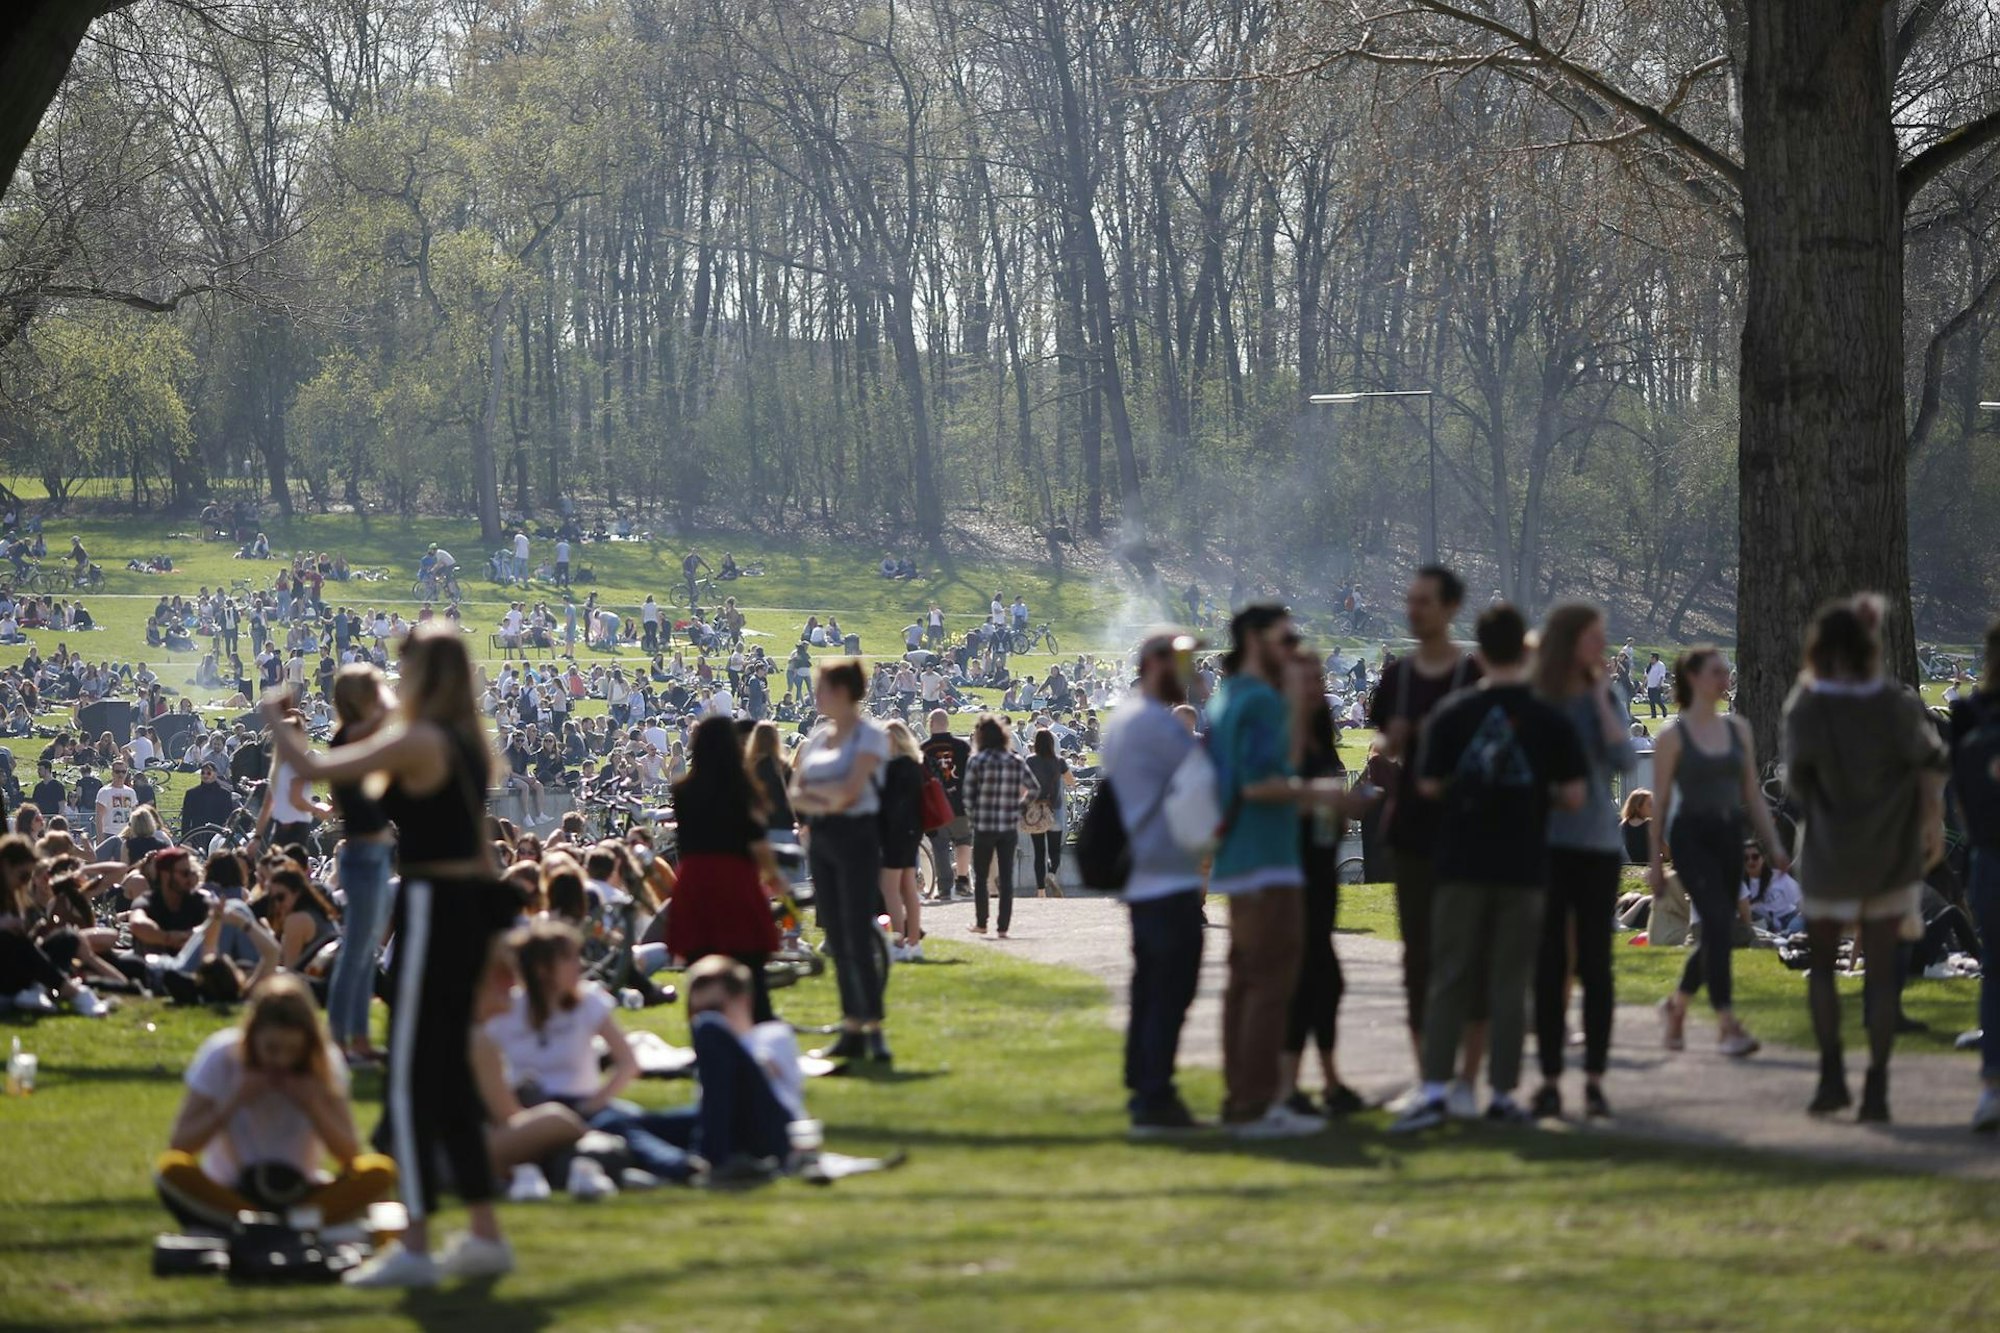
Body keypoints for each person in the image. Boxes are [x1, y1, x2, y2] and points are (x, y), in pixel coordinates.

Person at [261, 624, 520, 1286]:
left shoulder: (421, 736)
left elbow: (320, 769)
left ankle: (413, 1246)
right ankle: (485, 1235)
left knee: (409, 1069)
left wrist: (278, 719)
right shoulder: (459, 738)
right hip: (463, 905)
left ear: (426, 675)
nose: (396, 679)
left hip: (436, 902)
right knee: (451, 1071)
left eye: (405, 669)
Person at [1390, 604, 1587, 1132]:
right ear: (1526, 652)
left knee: (1450, 975)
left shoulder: (1453, 715)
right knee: (1509, 982)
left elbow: (1427, 784)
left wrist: (1473, 782)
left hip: (1460, 861)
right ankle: (1501, 1092)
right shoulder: (1549, 718)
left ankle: (1435, 1088)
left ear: (1477, 652)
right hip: (1522, 863)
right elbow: (1573, 793)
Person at [1784, 595, 1948, 1122]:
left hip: (1830, 851)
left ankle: (1832, 1075)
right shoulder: (1894, 705)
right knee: (1880, 975)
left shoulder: (1806, 705)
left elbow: (1795, 782)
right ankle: (1876, 1085)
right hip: (1889, 853)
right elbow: (1932, 756)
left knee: (1824, 975)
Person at [1208, 603, 1359, 1139]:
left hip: (1241, 854)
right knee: (1272, 984)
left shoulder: (1226, 696)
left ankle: (1241, 1098)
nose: (1292, 647)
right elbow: (1258, 784)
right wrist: (1319, 794)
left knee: (1245, 982)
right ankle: (1257, 1104)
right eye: (1284, 637)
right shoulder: (1257, 701)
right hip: (1267, 856)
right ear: (1255, 638)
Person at [1365, 566, 1483, 1109]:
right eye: (1410, 601)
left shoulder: (1475, 673)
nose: (1414, 611)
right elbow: (1384, 746)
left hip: (1467, 828)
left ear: (1451, 608)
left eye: (1425, 602)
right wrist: (1397, 740)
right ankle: (1428, 1078)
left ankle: (1466, 1079)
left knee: (1469, 952)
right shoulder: (1397, 678)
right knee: (1418, 957)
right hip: (1411, 828)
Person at [155, 974, 396, 1231]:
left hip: (300, 1191)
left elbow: (350, 1155)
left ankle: (269, 1226)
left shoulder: (324, 1061)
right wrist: (234, 1100)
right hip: (230, 1191)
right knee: (171, 1169)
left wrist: (312, 1105)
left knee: (380, 1171)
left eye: (292, 1051)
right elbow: (180, 1145)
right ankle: (264, 1223)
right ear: (252, 1036)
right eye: (271, 1049)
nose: (280, 1061)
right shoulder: (221, 1054)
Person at [1650, 646, 1791, 1059]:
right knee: (1714, 919)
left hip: (1730, 834)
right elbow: (1658, 803)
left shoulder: (1739, 730)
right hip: (1691, 836)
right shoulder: (1672, 737)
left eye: (1726, 671)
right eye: (1717, 672)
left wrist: (1776, 845)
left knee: (1718, 928)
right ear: (1693, 677)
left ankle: (1676, 1006)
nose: (1726, 678)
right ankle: (1727, 1024)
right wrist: (1655, 864)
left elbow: (1751, 791)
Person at [1527, 603, 1637, 1121]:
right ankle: (1550, 1077)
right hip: (1547, 842)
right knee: (1550, 962)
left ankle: (1594, 1078)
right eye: (1594, 637)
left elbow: (1624, 761)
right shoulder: (1540, 697)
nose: (1602, 646)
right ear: (1569, 641)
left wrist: (1600, 702)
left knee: (1596, 961)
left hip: (1596, 843)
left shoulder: (1604, 696)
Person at [1103, 632, 1207, 1135]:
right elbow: (1206, 781)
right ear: (1153, 665)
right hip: (1165, 871)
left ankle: (1142, 1080)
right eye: (1181, 661)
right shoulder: (1156, 727)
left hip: (1148, 870)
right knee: (1171, 986)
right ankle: (1154, 1094)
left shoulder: (1127, 720)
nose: (1189, 671)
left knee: (1152, 985)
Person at [788, 659, 891, 1064]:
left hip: (857, 836)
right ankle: (851, 1023)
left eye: (823, 688)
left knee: (857, 933)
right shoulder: (816, 739)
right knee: (836, 936)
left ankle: (873, 1027)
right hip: (824, 838)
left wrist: (822, 798)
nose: (816, 696)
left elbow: (851, 792)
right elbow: (795, 791)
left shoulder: (869, 736)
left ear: (845, 691)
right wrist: (823, 801)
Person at [667, 717, 787, 1023]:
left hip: (695, 879)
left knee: (700, 966)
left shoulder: (683, 791)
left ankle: (705, 1031)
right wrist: (775, 878)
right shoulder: (744, 789)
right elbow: (758, 844)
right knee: (749, 964)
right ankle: (757, 1026)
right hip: (735, 878)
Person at [1281, 694, 1363, 1118]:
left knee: (1321, 978)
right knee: (1314, 977)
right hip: (1295, 867)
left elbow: (1339, 818)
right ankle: (1298, 1082)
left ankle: (1324, 1080)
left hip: (1317, 867)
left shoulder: (1311, 750)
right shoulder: (1290, 749)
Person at [322, 666, 397, 1064]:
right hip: (364, 856)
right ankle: (338, 1040)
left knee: (365, 950)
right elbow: (390, 711)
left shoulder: (354, 737)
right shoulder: (349, 736)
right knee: (355, 951)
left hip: (374, 853)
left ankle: (359, 1039)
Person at [1950, 619, 2000, 1133]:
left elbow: (1959, 791)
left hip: (1989, 851)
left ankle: (1992, 1085)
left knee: (1995, 970)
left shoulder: (1967, 713)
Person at [961, 715, 1034, 939]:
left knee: (981, 876)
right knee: (1006, 876)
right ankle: (1003, 926)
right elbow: (1034, 789)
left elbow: (968, 795)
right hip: (1008, 825)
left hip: (984, 825)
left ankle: (982, 922)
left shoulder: (976, 761)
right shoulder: (1015, 760)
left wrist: (974, 815)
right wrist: (1019, 808)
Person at [878, 720, 927, 960]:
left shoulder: (893, 768)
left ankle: (897, 943)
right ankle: (914, 943)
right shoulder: (915, 765)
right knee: (908, 889)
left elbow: (887, 805)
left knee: (890, 889)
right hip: (912, 832)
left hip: (894, 833)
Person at [921, 709, 973, 902]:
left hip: (936, 808)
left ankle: (944, 888)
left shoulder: (922, 749)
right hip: (960, 803)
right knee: (963, 841)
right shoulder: (962, 746)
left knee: (940, 847)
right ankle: (962, 882)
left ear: (931, 723)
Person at [255, 715, 324, 856]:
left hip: (278, 831)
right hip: (295, 834)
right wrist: (317, 809)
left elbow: (267, 805)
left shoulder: (278, 766)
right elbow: (296, 799)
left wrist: (256, 838)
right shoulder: (296, 766)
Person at [1024, 727, 1074, 898]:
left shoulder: (1030, 760)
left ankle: (1040, 891)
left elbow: (1023, 783)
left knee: (1039, 852)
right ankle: (1052, 873)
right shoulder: (1059, 761)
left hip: (1036, 810)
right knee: (1054, 850)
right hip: (1055, 809)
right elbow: (1071, 781)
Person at [1619, 789, 1653, 865]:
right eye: (1650, 805)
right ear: (1638, 807)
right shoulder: (1649, 824)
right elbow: (1666, 852)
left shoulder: (1623, 825)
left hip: (1632, 864)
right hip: (1649, 865)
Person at [1644, 652, 1668, 720]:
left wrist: (1659, 684)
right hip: (1650, 685)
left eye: (1652, 658)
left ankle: (1664, 709)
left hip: (1657, 685)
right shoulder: (1649, 666)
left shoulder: (1660, 665)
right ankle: (1653, 715)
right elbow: (1646, 675)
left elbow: (1662, 675)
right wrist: (1644, 684)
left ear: (1655, 658)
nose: (1650, 659)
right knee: (1651, 701)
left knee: (1657, 700)